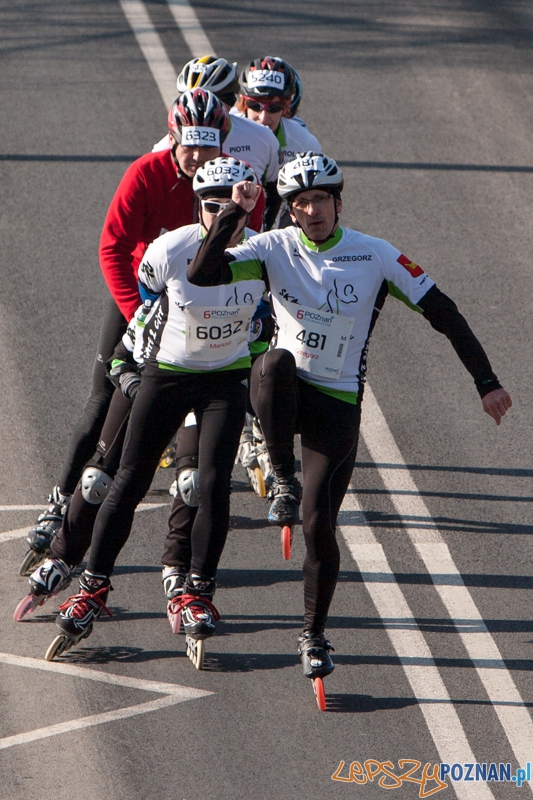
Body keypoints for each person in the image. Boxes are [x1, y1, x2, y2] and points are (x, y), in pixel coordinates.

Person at [186, 151, 512, 683]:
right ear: (289, 210)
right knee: (272, 361)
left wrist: (486, 382)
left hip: (336, 403)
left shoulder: (375, 255)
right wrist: (233, 214)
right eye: (300, 202)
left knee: (320, 525)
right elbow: (202, 275)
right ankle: (280, 475)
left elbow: (444, 312)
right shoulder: (274, 246)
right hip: (280, 393)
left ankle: (313, 635)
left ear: (338, 202)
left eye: (320, 199)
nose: (311, 211)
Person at [22, 89, 258, 572]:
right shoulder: (145, 173)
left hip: (199, 314)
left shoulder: (231, 183)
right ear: (172, 136)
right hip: (142, 297)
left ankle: (181, 557)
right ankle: (61, 502)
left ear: (224, 142)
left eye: (207, 146)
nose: (197, 157)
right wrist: (140, 314)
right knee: (103, 400)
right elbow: (113, 247)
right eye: (188, 145)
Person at [39, 159, 266, 650]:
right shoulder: (169, 250)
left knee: (207, 485)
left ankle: (198, 590)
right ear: (196, 207)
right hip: (170, 373)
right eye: (212, 206)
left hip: (223, 380)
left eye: (233, 206)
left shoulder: (262, 252)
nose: (222, 215)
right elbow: (146, 316)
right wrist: (129, 374)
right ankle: (92, 585)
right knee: (127, 479)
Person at [152, 55, 282, 229]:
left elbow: (275, 191)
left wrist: (263, 234)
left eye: (213, 99)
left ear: (231, 100)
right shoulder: (161, 150)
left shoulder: (262, 138)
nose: (202, 106)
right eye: (191, 99)